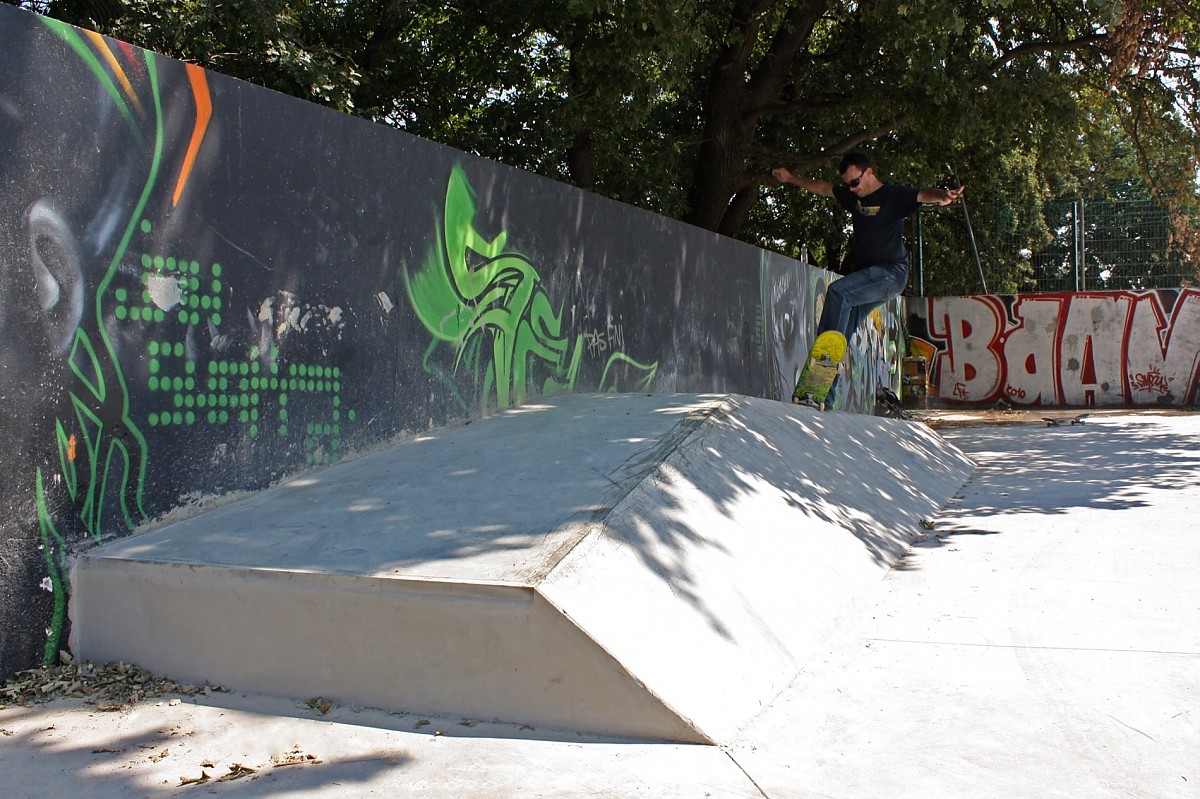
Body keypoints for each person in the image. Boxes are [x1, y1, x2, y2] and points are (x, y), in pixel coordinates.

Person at [772, 152, 964, 344]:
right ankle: (827, 370)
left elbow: (923, 194)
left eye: (855, 182)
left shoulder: (894, 196)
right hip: (868, 276)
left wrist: (943, 195)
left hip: (892, 274)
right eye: (848, 185)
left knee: (839, 292)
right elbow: (824, 188)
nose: (853, 189)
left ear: (869, 172)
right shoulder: (852, 196)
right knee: (843, 327)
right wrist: (790, 178)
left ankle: (825, 355)